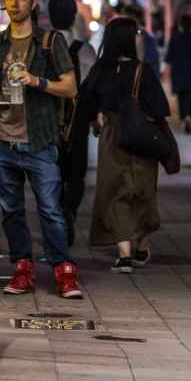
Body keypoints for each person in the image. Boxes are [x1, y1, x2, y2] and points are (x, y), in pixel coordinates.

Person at [0, 0, 83, 299]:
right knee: (11, 211)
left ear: (33, 4)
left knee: (50, 209)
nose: (14, 3)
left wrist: (37, 81)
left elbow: (70, 87)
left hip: (40, 141)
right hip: (2, 142)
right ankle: (22, 267)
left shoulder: (50, 42)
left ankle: (64, 270)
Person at [72, 17, 169, 273]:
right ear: (128, 39)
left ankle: (124, 255)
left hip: (112, 138)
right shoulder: (143, 71)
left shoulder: (101, 70)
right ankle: (140, 246)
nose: (139, 37)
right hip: (143, 139)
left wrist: (100, 115)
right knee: (143, 192)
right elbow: (160, 108)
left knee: (115, 194)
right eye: (136, 33)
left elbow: (85, 100)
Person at [47, 0, 90, 244]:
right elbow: (91, 87)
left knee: (50, 174)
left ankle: (58, 217)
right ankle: (69, 210)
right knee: (76, 174)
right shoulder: (85, 50)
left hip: (48, 120)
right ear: (74, 16)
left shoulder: (41, 46)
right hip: (78, 121)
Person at [167, 14, 191, 133]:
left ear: (180, 25)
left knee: (181, 96)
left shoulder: (174, 37)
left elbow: (169, 56)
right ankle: (188, 116)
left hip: (178, 71)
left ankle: (184, 118)